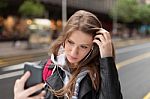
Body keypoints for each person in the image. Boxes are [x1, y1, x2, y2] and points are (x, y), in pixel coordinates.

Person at [14, 10, 123, 99]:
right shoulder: (46, 69)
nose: (73, 52)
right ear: (64, 39)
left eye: (83, 46)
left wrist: (107, 58)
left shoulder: (99, 75)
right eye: (71, 42)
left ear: (93, 47)